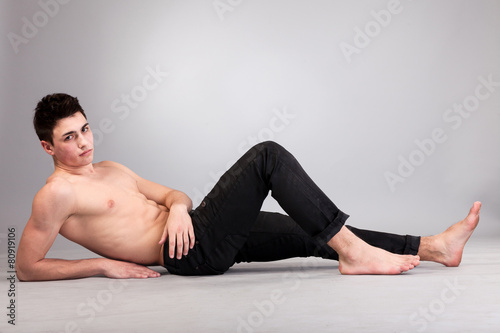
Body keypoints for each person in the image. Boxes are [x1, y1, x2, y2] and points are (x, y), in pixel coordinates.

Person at [16, 93, 481, 281]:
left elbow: (175, 196)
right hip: (187, 255)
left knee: (310, 233)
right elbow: (25, 268)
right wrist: (101, 267)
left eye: (85, 129)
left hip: (197, 228)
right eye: (69, 138)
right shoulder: (56, 193)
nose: (83, 143)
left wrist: (178, 209)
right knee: (267, 156)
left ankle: (434, 248)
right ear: (47, 147)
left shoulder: (111, 167)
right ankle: (357, 255)